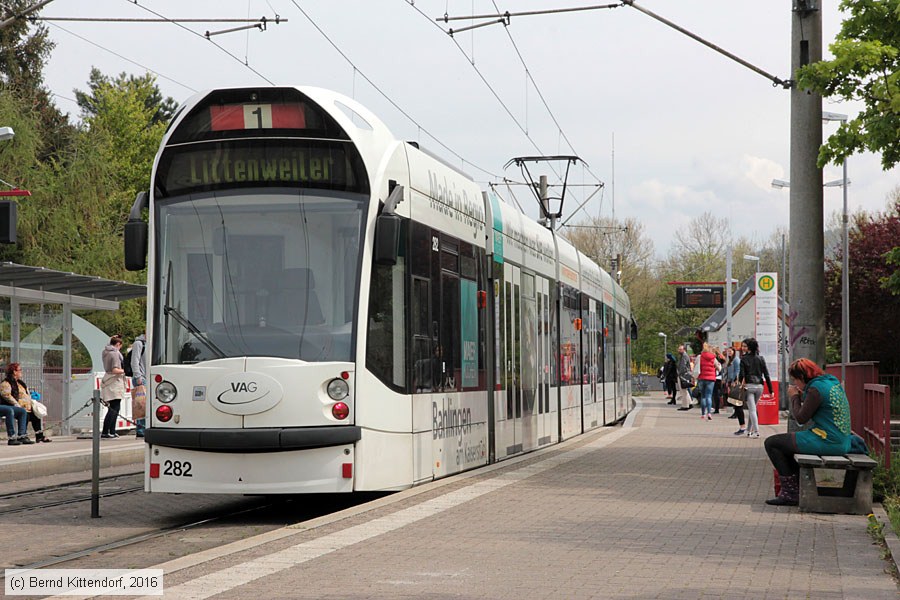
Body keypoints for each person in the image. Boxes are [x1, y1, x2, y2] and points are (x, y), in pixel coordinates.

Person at [764, 358, 852, 506]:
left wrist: (794, 397)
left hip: (827, 440)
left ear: (803, 377)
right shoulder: (830, 382)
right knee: (785, 445)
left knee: (772, 443)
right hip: (840, 440)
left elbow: (801, 418)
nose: (795, 384)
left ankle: (791, 492)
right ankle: (797, 487)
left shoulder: (815, 389)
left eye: (796, 380)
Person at [738, 337, 773, 438]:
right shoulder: (761, 358)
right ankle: (749, 430)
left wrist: (740, 384)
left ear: (748, 347)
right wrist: (771, 390)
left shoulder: (744, 359)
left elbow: (741, 374)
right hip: (760, 386)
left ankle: (756, 431)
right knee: (752, 408)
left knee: (752, 410)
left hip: (749, 386)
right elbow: (766, 374)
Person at [100, 335, 127, 439]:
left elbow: (108, 344)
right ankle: (107, 431)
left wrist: (112, 338)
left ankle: (111, 430)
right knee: (115, 407)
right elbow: (115, 369)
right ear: (118, 344)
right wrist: (126, 371)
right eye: (120, 346)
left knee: (113, 406)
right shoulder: (115, 354)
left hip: (108, 378)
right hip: (115, 380)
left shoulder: (105, 352)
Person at [0, 363, 33, 445]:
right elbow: (6, 395)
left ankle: (22, 435)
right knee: (9, 410)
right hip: (4, 405)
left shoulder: (20, 383)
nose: (21, 372)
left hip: (10, 406)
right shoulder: (6, 383)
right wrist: (16, 403)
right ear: (14, 372)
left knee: (22, 411)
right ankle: (11, 437)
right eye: (20, 370)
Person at [725, 347, 746, 434]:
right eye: (728, 351)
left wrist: (735, 380)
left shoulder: (736, 360)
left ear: (734, 352)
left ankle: (738, 416)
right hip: (731, 380)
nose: (729, 353)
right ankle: (735, 413)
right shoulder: (730, 360)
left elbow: (737, 370)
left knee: (736, 399)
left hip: (735, 382)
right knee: (733, 398)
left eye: (730, 351)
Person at [130, 332, 147, 438]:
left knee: (145, 405)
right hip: (141, 378)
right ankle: (141, 429)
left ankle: (144, 428)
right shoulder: (139, 343)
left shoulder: (152, 343)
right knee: (141, 405)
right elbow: (134, 361)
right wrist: (138, 376)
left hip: (147, 377)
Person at [697, 343, 717, 420]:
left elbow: (696, 366)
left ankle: (703, 414)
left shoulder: (700, 356)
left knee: (703, 396)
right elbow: (719, 367)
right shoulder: (713, 357)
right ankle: (709, 413)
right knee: (709, 396)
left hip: (702, 378)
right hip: (711, 379)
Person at [675, 345, 693, 410]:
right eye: (679, 349)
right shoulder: (683, 356)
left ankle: (685, 405)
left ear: (684, 349)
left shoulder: (684, 356)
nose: (678, 350)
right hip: (684, 375)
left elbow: (683, 366)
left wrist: (679, 373)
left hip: (683, 375)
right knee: (685, 390)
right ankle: (690, 403)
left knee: (683, 391)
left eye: (680, 349)